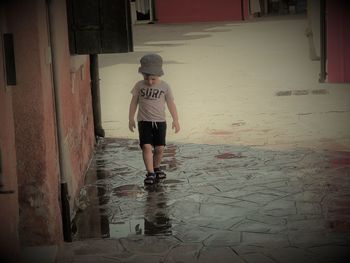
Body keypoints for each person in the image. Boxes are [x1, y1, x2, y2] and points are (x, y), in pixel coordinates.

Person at [128, 53, 180, 185]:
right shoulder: (139, 86)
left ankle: (156, 168)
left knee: (159, 148)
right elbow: (134, 102)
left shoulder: (165, 87)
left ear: (159, 75)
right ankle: (150, 173)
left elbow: (171, 103)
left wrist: (176, 120)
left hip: (160, 122)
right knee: (146, 147)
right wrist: (131, 119)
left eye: (153, 79)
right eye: (146, 78)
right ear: (142, 74)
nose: (150, 81)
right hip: (144, 122)